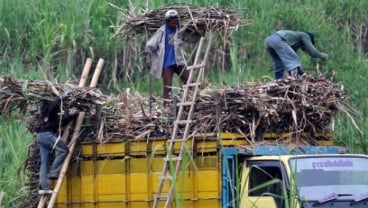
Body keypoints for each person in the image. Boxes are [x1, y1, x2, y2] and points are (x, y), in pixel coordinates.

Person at [34, 93, 78, 194]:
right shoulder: (47, 107)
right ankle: (54, 172)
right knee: (64, 150)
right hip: (46, 135)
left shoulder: (53, 116)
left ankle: (44, 188)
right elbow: (51, 108)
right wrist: (61, 98)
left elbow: (61, 123)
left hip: (41, 137)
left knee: (45, 161)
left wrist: (73, 116)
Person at [145, 9, 189, 107]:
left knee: (188, 80)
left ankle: (185, 99)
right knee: (167, 87)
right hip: (166, 64)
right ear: (167, 21)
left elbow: (190, 39)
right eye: (172, 22)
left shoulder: (179, 31)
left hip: (178, 61)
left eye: (175, 21)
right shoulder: (161, 31)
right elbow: (149, 46)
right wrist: (149, 59)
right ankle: (166, 107)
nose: (174, 23)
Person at [264, 30, 328, 79]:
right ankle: (294, 83)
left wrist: (304, 74)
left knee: (279, 64)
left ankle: (278, 81)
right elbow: (313, 53)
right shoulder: (305, 36)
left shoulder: (292, 44)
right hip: (277, 39)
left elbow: (297, 68)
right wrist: (322, 56)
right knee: (293, 61)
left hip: (268, 41)